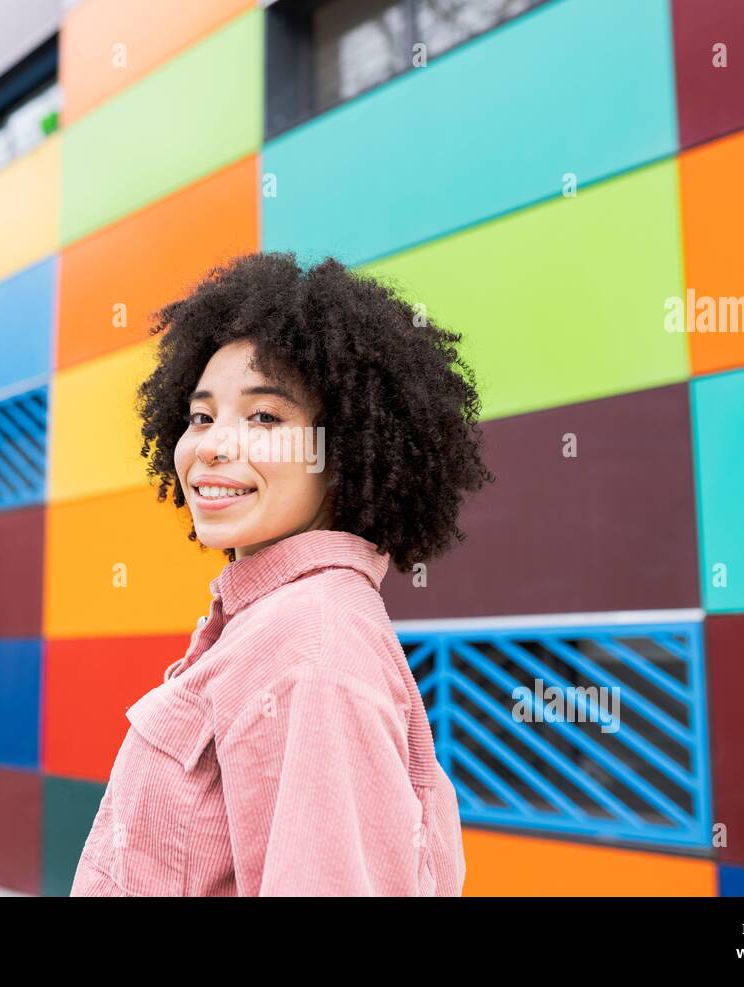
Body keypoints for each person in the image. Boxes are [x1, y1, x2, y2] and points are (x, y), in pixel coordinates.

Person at [70, 251, 492, 896]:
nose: (212, 444)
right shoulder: (272, 620)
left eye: (264, 416)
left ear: (344, 451)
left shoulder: (310, 642)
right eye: (202, 416)